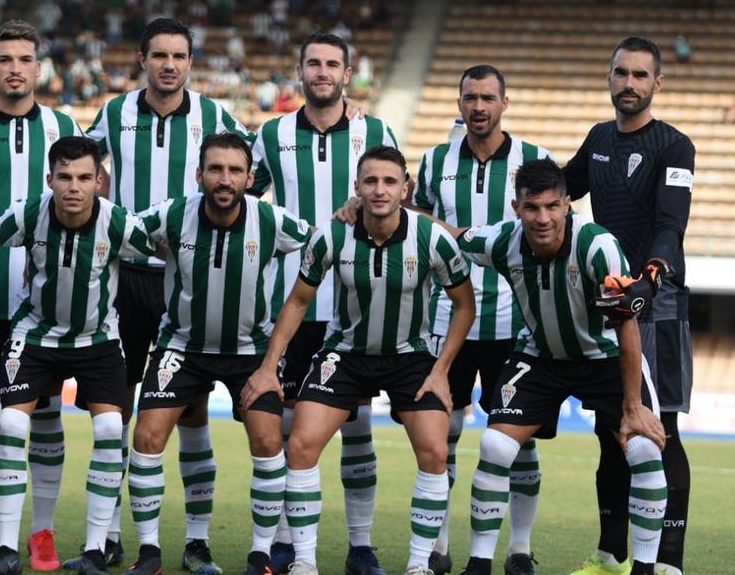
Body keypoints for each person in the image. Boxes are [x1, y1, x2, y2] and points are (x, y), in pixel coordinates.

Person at [241, 145, 477, 575]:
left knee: (434, 452)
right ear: (357, 188)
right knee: (301, 445)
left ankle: (420, 565)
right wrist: (267, 366)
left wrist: (441, 371)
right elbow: (297, 301)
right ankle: (305, 561)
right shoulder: (332, 236)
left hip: (411, 356)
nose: (380, 189)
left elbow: (465, 305)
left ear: (406, 188)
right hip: (345, 355)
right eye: (371, 181)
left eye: (390, 181)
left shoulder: (433, 239)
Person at [79, 17, 253, 573]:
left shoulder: (216, 117)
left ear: (191, 62)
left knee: (193, 408)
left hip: (187, 276)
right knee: (118, 405)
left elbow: (252, 181)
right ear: (142, 59)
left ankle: (196, 540)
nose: (169, 65)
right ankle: (107, 535)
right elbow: (81, 167)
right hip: (124, 275)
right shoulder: (113, 113)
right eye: (159, 55)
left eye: (179, 55)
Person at [456, 159, 668, 575]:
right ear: (517, 207)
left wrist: (631, 406)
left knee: (643, 449)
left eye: (552, 206)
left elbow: (626, 323)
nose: (542, 218)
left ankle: (644, 569)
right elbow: (454, 238)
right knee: (495, 446)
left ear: (568, 204)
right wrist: (398, 210)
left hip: (606, 358)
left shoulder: (597, 245)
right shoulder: (502, 241)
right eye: (532, 207)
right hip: (540, 359)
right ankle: (479, 564)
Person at [124, 133, 312, 575]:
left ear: (249, 178)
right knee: (147, 438)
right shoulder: (173, 214)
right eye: (215, 169)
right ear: (200, 175)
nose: (224, 179)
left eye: (233, 171)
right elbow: (118, 229)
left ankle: (261, 554)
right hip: (181, 348)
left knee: (268, 442)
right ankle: (151, 552)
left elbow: (325, 241)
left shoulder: (272, 220)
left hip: (251, 352)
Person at [249, 32, 400, 575]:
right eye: (313, 63)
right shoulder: (270, 134)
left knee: (355, 428)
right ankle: (288, 540)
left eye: (332, 64)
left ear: (348, 72)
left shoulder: (374, 130)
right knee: (291, 429)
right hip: (290, 302)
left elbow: (400, 198)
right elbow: (244, 198)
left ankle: (361, 545)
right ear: (299, 70)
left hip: (356, 306)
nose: (322, 72)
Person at [0, 137, 157, 575]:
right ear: (50, 178)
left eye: (83, 178)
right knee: (14, 421)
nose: (73, 187)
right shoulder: (28, 213)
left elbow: (169, 250)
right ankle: (8, 552)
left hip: (97, 339)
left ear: (99, 182)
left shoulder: (118, 223)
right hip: (35, 335)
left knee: (112, 427)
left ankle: (94, 551)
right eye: (65, 177)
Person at [0, 19, 84, 571]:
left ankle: (43, 533)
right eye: (5, 59)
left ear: (38, 66)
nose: (15, 68)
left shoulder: (64, 124)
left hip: (46, 303)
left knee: (45, 414)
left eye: (25, 59)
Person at [410, 65, 554, 575]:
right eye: (469, 97)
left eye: (487, 97)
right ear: (459, 102)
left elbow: (551, 227)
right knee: (439, 437)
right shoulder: (433, 162)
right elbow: (416, 227)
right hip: (448, 322)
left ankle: (518, 549)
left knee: (519, 441)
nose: (478, 106)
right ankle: (440, 547)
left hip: (517, 326)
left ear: (504, 103)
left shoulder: (534, 160)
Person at [562, 37, 695, 575]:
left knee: (660, 431)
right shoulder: (597, 139)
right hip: (607, 303)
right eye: (622, 73)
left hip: (657, 305)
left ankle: (668, 563)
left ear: (657, 83)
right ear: (609, 76)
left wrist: (651, 276)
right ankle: (610, 556)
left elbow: (671, 223)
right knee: (608, 431)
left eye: (641, 76)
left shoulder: (674, 146)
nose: (630, 84)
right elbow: (553, 189)